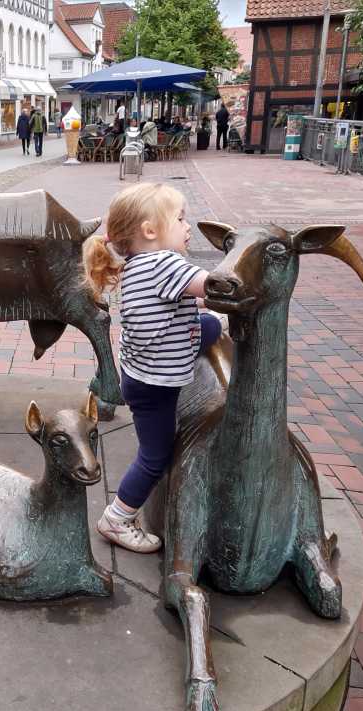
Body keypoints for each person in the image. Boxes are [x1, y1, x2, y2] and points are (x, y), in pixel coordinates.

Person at [81, 182, 224, 553]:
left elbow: (184, 313)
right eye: (180, 219)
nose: (188, 226)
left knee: (208, 325)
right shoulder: (166, 263)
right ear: (149, 231)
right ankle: (118, 517)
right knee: (154, 454)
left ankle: (214, 327)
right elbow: (215, 287)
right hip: (156, 385)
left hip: (141, 371)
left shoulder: (135, 266)